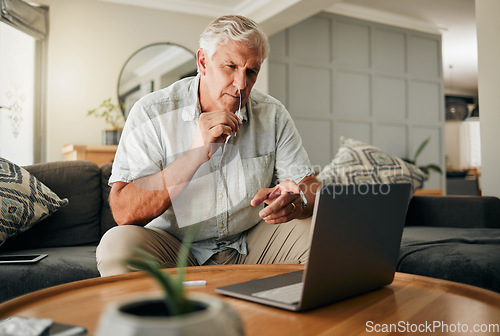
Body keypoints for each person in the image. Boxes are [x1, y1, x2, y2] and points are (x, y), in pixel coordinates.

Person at [96, 15, 320, 276]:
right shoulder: (151, 112)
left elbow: (311, 186)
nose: (241, 84)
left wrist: (298, 200)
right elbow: (124, 212)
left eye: (251, 71)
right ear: (203, 62)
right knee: (116, 247)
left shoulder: (272, 114)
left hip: (251, 242)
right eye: (230, 66)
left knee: (323, 234)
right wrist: (193, 156)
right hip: (174, 248)